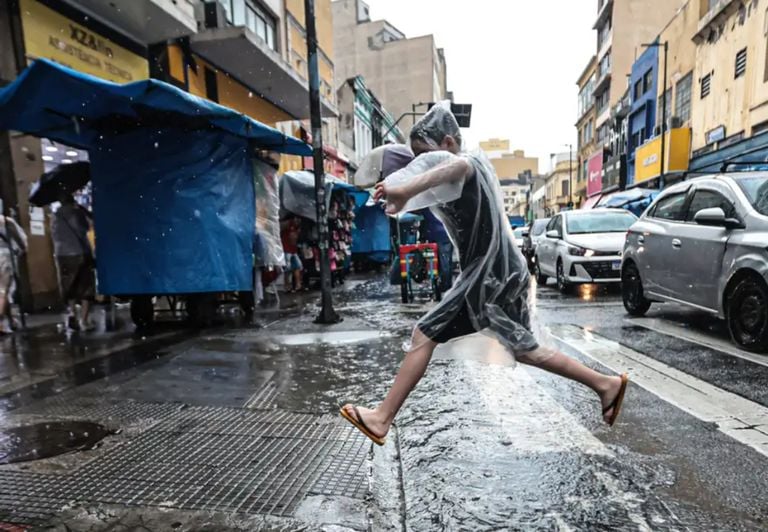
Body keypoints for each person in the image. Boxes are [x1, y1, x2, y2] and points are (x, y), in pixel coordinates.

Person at [341, 103, 629, 446]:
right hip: (500, 272)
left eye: (427, 156)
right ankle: (605, 384)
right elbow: (433, 184)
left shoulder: (468, 162)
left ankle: (381, 418)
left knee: (424, 333)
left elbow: (456, 166)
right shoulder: (451, 175)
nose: (424, 164)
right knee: (525, 349)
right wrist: (401, 193)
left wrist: (405, 189)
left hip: (490, 274)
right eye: (417, 159)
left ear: (448, 142)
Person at [51, 193, 96, 331]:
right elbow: (84, 229)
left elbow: (54, 234)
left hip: (61, 254)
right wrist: (84, 211)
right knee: (86, 286)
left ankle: (71, 314)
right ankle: (84, 321)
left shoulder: (55, 216)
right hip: (79, 252)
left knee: (69, 287)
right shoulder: (76, 213)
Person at [0, 213, 27, 334]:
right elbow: (19, 240)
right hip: (5, 257)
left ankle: (11, 321)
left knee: (3, 293)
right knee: (3, 290)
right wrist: (23, 249)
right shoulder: (6, 221)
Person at [419, 208, 454, 291]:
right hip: (445, 234)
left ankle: (441, 285)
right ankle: (446, 285)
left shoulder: (427, 204)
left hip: (432, 234)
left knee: (434, 261)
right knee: (446, 261)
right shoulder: (444, 202)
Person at [280, 216, 303, 292]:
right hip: (287, 250)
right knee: (288, 269)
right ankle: (287, 286)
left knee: (297, 267)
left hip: (293, 250)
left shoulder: (297, 227)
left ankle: (297, 285)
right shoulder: (288, 224)